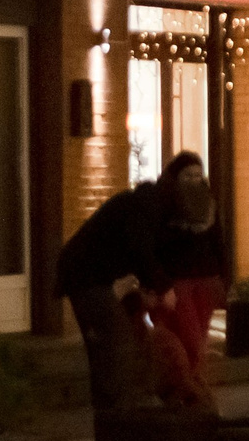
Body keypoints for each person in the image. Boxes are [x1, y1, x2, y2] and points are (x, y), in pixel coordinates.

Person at [57, 164, 183, 411]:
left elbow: (137, 252)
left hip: (91, 275)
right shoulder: (145, 208)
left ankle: (114, 411)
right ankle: (121, 410)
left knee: (113, 341)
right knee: (116, 338)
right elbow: (140, 250)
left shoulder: (143, 205)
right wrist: (163, 287)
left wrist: (150, 287)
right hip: (86, 276)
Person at [151, 152, 225, 412]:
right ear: (176, 177)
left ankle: (185, 394)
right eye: (188, 175)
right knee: (190, 339)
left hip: (205, 279)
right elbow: (158, 245)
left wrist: (224, 277)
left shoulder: (209, 204)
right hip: (180, 281)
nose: (194, 180)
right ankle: (192, 392)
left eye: (198, 174)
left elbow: (218, 241)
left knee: (199, 338)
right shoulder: (166, 207)